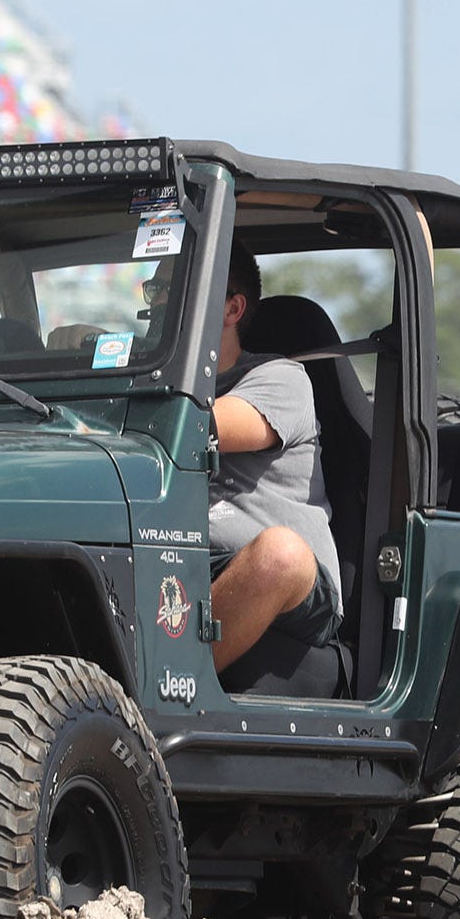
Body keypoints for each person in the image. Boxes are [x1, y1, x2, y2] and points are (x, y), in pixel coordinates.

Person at [205, 242, 340, 671]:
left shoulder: (280, 377)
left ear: (232, 309)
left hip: (280, 578)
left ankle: (162, 689)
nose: (155, 307)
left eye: (175, 290)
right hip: (180, 554)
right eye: (155, 291)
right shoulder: (151, 393)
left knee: (281, 553)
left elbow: (201, 428)